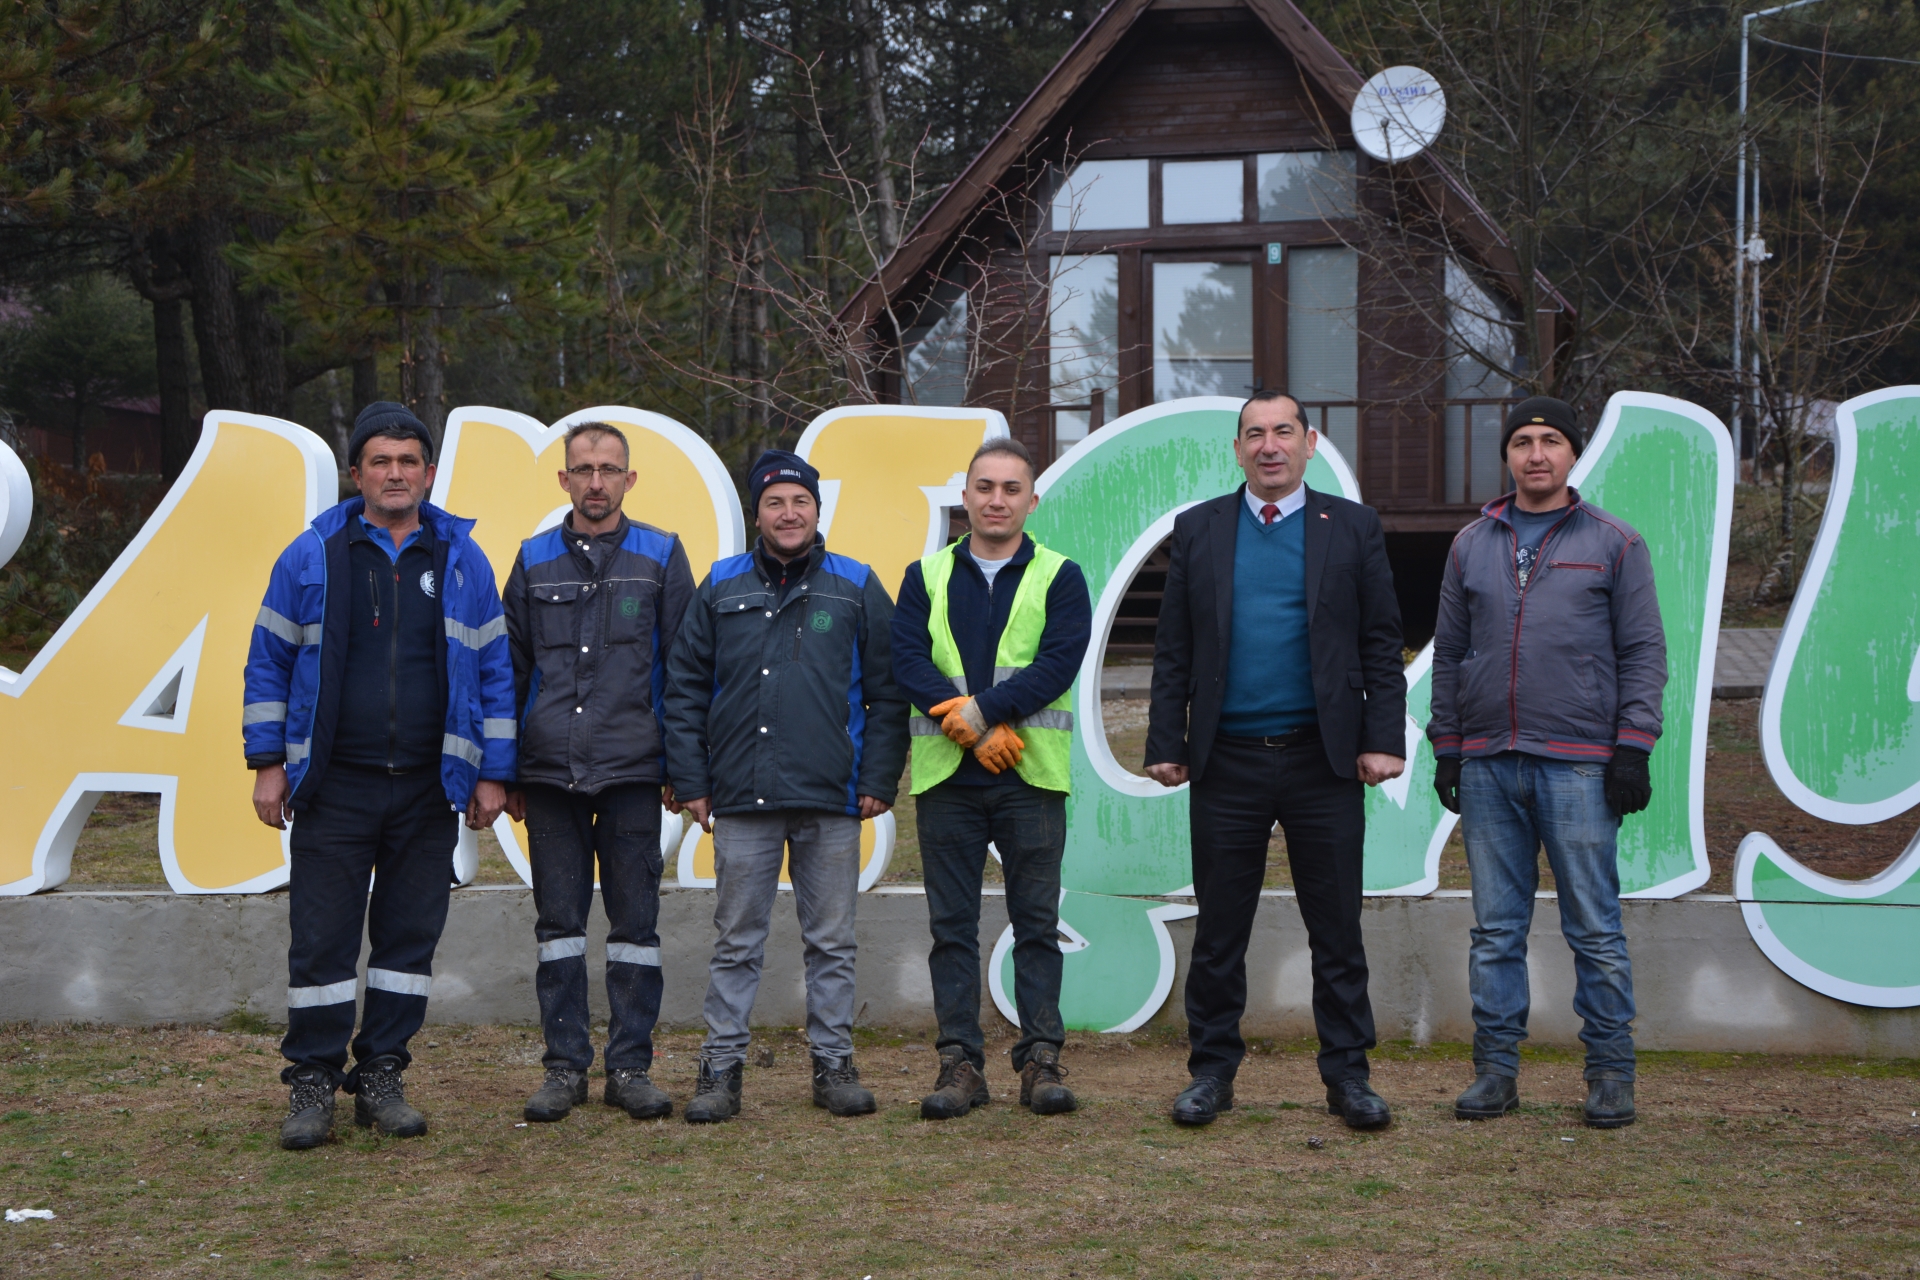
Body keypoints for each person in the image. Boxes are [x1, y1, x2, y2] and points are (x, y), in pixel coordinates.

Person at [243, 402, 515, 1150]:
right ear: (356, 472)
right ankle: (311, 1080)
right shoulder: (311, 554)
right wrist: (268, 763)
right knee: (321, 941)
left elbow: (494, 671)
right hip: (334, 784)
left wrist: (492, 772)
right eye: (380, 461)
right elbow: (268, 660)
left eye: (408, 462)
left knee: (407, 939)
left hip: (430, 786)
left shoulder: (462, 558)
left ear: (429, 473)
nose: (395, 474)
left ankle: (383, 1073)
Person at [1145, 389, 1407, 1129]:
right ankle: (1211, 1074)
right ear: (1237, 450)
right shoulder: (1198, 529)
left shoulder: (1352, 526)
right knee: (1220, 933)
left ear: (1309, 442)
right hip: (1226, 764)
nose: (1269, 446)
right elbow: (1173, 649)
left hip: (1324, 763)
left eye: (1283, 431)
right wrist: (1166, 743)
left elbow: (1380, 642)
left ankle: (1349, 1078)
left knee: (1338, 931)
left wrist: (1383, 738)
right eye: (1254, 434)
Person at [1428, 396, 1665, 1130]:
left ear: (1572, 453)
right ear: (1507, 454)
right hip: (1489, 764)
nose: (1536, 453)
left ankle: (1610, 1074)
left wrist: (1634, 746)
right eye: (1523, 441)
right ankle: (1495, 1072)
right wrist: (1447, 746)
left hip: (1580, 766)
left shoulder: (1615, 543)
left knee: (1594, 928)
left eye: (1551, 440)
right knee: (1495, 931)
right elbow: (1450, 652)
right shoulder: (1470, 544)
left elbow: (1643, 650)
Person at [662, 449, 908, 1123]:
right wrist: (691, 780)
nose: (789, 513)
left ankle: (834, 1066)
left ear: (817, 511)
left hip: (832, 797)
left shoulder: (856, 584)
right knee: (737, 941)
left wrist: (878, 777)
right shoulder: (720, 585)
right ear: (758, 514)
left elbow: (889, 693)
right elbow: (683, 689)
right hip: (742, 797)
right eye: (775, 502)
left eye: (801, 501)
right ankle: (720, 1070)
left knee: (832, 942)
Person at [890, 436, 1093, 1121]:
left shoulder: (1061, 576)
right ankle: (960, 1064)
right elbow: (907, 661)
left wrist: (980, 711)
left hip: (1029, 778)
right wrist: (975, 728)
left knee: (1037, 925)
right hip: (948, 782)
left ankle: (1041, 1060)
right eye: (985, 487)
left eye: (1011, 488)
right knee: (951, 928)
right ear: (966, 497)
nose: (997, 499)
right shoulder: (924, 575)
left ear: (1032, 501)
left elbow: (1057, 663)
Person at [502, 422, 695, 1123]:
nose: (595, 482)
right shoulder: (531, 560)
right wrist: (507, 771)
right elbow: (509, 670)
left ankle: (631, 1069)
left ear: (629, 479)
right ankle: (563, 1070)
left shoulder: (662, 556)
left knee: (636, 927)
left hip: (634, 771)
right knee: (557, 925)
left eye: (609, 469)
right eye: (582, 469)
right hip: (549, 772)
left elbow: (684, 669)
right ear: (563, 479)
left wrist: (683, 768)